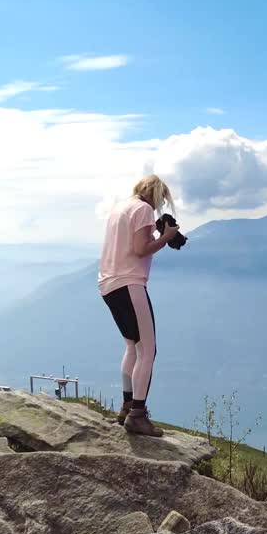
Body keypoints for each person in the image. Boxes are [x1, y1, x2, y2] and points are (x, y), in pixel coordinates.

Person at [98, 174, 181, 436]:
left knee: (132, 346)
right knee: (148, 349)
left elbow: (129, 243)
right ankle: (137, 415)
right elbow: (140, 249)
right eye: (161, 199)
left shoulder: (119, 209)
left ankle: (125, 406)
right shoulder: (143, 209)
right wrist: (166, 237)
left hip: (108, 284)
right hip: (130, 282)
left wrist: (157, 232)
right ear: (155, 194)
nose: (159, 206)